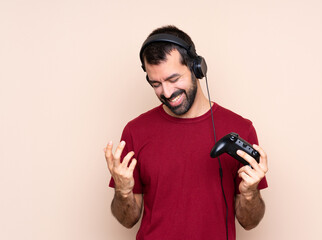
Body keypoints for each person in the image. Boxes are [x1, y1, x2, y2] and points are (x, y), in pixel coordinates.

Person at [104, 25, 268, 240]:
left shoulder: (240, 129)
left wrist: (249, 194)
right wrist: (123, 192)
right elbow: (127, 220)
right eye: (156, 84)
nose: (167, 92)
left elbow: (250, 222)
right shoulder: (135, 131)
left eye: (173, 79)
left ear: (196, 67)